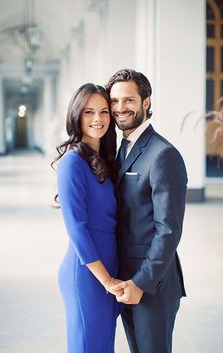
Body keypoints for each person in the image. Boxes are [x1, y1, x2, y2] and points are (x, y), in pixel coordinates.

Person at [105, 69, 188, 353]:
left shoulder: (163, 154)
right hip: (125, 281)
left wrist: (141, 282)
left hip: (152, 285)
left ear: (146, 102)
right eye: (114, 101)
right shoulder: (124, 148)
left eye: (128, 100)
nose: (119, 108)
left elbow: (169, 230)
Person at [52, 83, 122, 353]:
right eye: (89, 112)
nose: (98, 119)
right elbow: (77, 230)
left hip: (109, 271)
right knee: (88, 347)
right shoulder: (72, 162)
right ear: (76, 115)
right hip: (88, 274)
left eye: (104, 112)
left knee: (102, 346)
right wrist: (107, 281)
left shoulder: (106, 159)